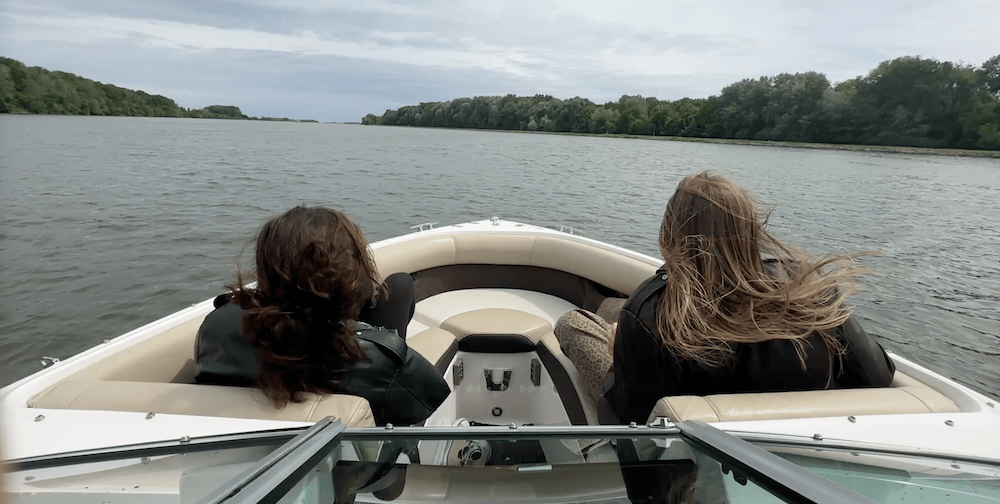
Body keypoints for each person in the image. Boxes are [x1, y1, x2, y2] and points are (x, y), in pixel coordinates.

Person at [563, 171, 896, 426]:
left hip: (692, 456)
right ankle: (608, 316)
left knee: (572, 323)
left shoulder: (649, 313)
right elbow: (877, 376)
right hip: (797, 447)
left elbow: (627, 416)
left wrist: (619, 355)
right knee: (614, 310)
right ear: (749, 230)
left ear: (671, 233)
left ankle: (606, 325)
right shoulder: (813, 293)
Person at [193, 206, 449, 426]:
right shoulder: (375, 360)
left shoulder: (216, 327)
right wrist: (385, 345)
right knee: (400, 286)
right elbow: (433, 399)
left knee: (399, 286)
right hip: (362, 447)